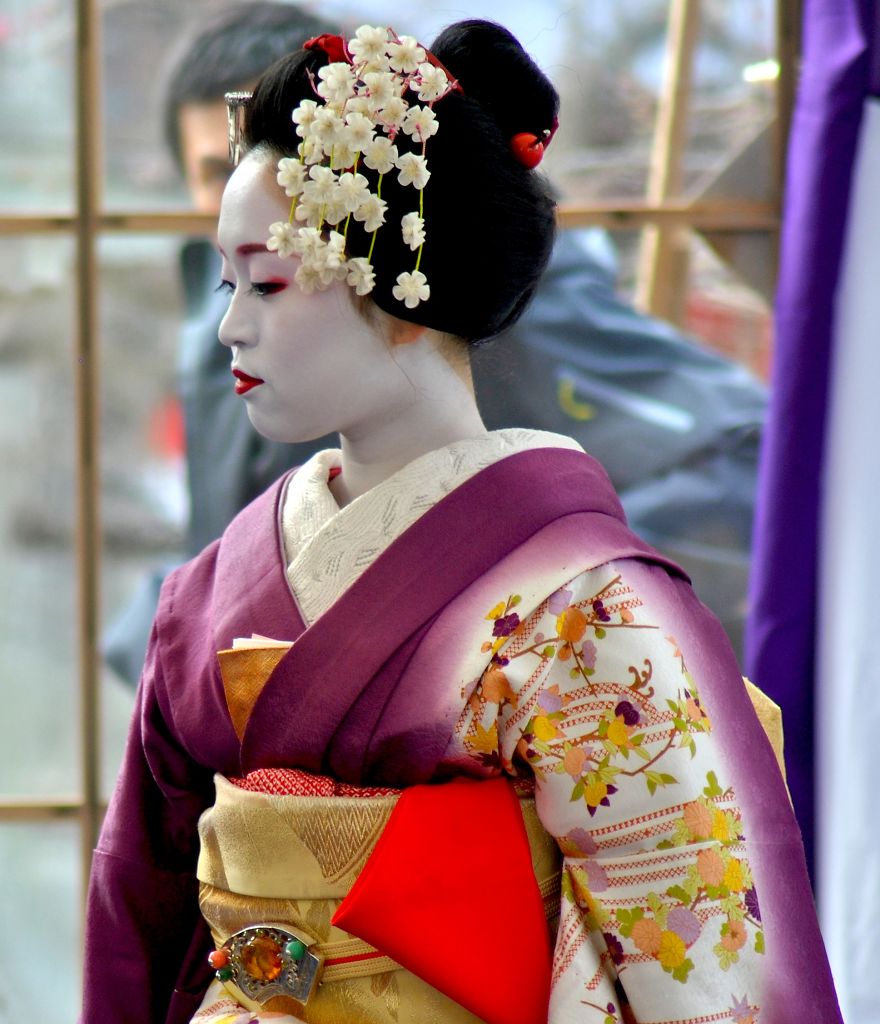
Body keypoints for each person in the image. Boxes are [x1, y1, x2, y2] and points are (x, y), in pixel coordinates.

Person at [43, 19, 866, 1024]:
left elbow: (712, 997)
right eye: (225, 280)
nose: (230, 323)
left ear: (399, 281)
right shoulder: (210, 593)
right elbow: (134, 943)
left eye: (267, 282)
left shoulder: (590, 611)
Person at [104, 2, 766, 687]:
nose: (258, 192)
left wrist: (528, 600)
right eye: (220, 171)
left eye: (294, 161)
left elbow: (737, 447)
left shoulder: (452, 287)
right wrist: (168, 636)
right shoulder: (220, 321)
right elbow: (228, 542)